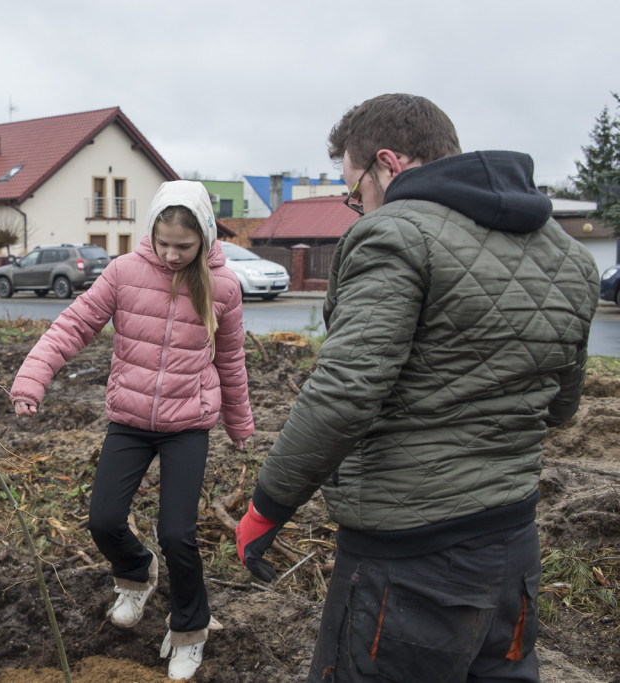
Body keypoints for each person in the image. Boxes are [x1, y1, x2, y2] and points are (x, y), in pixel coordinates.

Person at [235, 93, 600, 681]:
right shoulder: (569, 256)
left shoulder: (395, 234)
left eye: (356, 192)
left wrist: (267, 508)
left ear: (389, 164)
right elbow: (561, 407)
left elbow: (346, 391)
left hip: (407, 563)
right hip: (512, 549)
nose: (359, 208)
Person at [11, 180, 254, 681]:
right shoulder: (123, 273)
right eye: (163, 242)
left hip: (188, 424)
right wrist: (33, 378)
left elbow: (230, 359)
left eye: (183, 247)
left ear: (205, 238)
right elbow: (73, 325)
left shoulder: (224, 287)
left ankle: (190, 631)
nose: (170, 254)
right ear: (151, 232)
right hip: (130, 419)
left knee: (178, 534)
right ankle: (136, 575)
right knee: (102, 520)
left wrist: (240, 422)